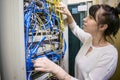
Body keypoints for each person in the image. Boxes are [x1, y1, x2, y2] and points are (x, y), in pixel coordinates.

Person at [33, 2, 120, 80]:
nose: (84, 19)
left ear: (102, 27)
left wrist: (55, 69)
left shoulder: (109, 54)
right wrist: (68, 13)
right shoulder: (89, 39)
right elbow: (75, 28)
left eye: (90, 17)